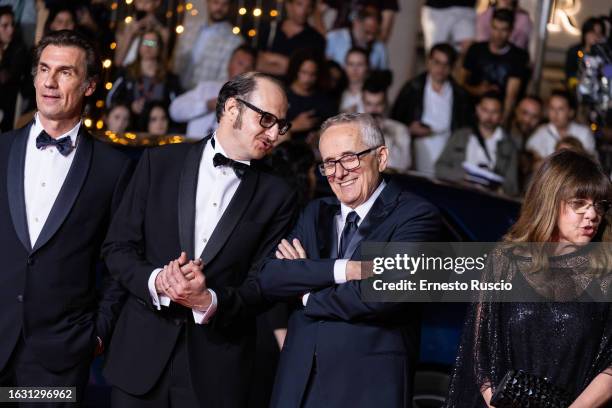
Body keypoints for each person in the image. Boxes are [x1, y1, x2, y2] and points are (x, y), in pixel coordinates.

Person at [102, 72, 298, 408]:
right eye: (266, 119)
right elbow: (117, 248)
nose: (274, 134)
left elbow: (264, 285)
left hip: (217, 371)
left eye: (281, 125)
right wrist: (156, 281)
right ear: (232, 108)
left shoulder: (279, 195)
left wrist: (210, 300)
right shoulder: (158, 162)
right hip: (139, 359)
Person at [258, 112, 441, 408]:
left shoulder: (416, 215)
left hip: (365, 388)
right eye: (329, 163)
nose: (339, 173)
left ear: (381, 157)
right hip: (297, 385)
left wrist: (305, 293)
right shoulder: (315, 212)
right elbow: (270, 277)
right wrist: (342, 270)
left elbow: (384, 293)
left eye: (349, 158)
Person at [0, 29, 131, 403]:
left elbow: (121, 260)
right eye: (44, 69)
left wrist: (99, 333)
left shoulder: (114, 168)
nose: (50, 82)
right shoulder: (1, 150)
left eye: (65, 72)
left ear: (89, 85)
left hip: (58, 356)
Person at [446, 149, 612, 408]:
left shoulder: (606, 274)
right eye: (579, 203)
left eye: (598, 205)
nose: (592, 214)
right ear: (550, 200)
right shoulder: (504, 262)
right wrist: (496, 403)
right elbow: (480, 353)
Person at [391, 42, 473, 174]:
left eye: (445, 64)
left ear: (451, 67)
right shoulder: (413, 88)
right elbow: (395, 120)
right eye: (437, 62)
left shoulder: (460, 95)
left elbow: (465, 127)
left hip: (449, 146)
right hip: (418, 145)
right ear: (429, 62)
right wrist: (409, 129)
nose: (440, 68)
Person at [435, 91, 519, 196]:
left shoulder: (509, 146)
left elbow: (513, 186)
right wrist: (463, 176)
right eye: (485, 110)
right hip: (458, 193)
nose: (489, 116)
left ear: (501, 114)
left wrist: (494, 185)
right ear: (478, 110)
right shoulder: (460, 136)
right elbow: (439, 168)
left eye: (494, 112)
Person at [170, 45, 256, 139]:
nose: (243, 70)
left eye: (248, 67)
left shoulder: (252, 101)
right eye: (240, 63)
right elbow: (174, 111)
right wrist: (207, 105)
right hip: (193, 147)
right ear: (229, 64)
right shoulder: (207, 88)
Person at [461, 8, 529, 125]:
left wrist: (503, 121)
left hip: (499, 113)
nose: (498, 34)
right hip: (471, 109)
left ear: (511, 31)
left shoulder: (518, 56)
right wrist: (477, 91)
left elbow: (511, 95)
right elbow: (460, 83)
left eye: (504, 30)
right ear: (490, 27)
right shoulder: (476, 50)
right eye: (495, 28)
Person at [106, 28, 182, 118]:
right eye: (145, 42)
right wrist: (130, 106)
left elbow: (177, 109)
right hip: (129, 125)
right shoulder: (125, 73)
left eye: (152, 43)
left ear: (160, 48)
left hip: (157, 128)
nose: (148, 47)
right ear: (139, 46)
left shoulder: (169, 78)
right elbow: (110, 100)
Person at [174, 0, 243, 90]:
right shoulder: (190, 29)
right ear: (208, 2)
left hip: (203, 98)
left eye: (224, 4)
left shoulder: (234, 41)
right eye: (216, 2)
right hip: (177, 89)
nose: (219, 8)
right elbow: (177, 60)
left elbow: (225, 77)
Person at [256, 0, 325, 77]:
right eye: (299, 4)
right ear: (288, 5)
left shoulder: (316, 38)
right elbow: (257, 63)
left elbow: (308, 72)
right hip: (266, 84)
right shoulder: (271, 29)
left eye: (308, 6)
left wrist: (274, 58)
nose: (304, 10)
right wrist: (288, 65)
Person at [527, 89, 596, 162]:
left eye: (560, 109)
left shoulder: (583, 133)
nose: (555, 114)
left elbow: (591, 161)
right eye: (552, 108)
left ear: (571, 112)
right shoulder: (541, 132)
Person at [286, 49, 336, 141]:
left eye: (313, 74)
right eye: (304, 72)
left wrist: (319, 136)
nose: (307, 79)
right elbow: (269, 128)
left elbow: (333, 128)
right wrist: (294, 125)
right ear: (295, 70)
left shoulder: (324, 99)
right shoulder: (282, 95)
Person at [362, 78, 411, 172]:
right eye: (369, 104)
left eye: (378, 104)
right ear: (363, 103)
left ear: (385, 103)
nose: (373, 110)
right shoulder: (353, 129)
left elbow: (403, 166)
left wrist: (382, 135)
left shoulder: (400, 129)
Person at [113, 0, 170, 68]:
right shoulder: (124, 27)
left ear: (157, 3)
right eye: (139, 2)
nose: (142, 6)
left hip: (147, 73)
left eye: (147, 2)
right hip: (127, 74)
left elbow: (161, 60)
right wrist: (130, 34)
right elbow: (118, 61)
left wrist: (150, 33)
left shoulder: (161, 31)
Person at [0, 5, 29, 132]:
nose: (10, 30)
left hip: (10, 103)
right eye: (5, 26)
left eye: (12, 25)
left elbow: (6, 77)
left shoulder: (18, 49)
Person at [565, 17, 606, 89]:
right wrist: (575, 85)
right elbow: (570, 72)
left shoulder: (604, 54)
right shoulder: (575, 51)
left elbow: (609, 72)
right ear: (585, 33)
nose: (596, 36)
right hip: (578, 89)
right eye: (593, 32)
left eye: (599, 33)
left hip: (598, 90)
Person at [339, 46, 369, 113]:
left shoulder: (375, 93)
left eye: (360, 64)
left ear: (367, 67)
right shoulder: (337, 93)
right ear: (345, 66)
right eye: (351, 64)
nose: (354, 69)